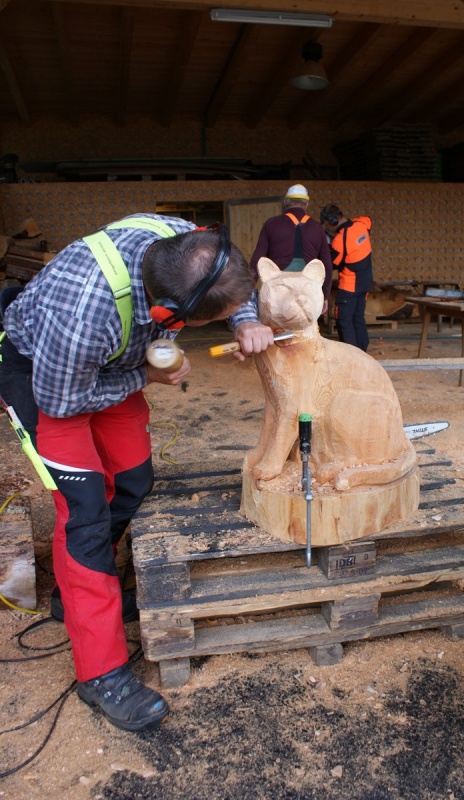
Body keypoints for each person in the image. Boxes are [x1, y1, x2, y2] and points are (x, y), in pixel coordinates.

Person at [0, 212, 273, 732]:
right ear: (166, 314)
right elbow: (63, 402)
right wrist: (145, 375)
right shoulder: (82, 314)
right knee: (84, 516)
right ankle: (99, 673)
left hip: (111, 365)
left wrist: (245, 320)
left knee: (132, 479)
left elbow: (230, 283)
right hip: (46, 378)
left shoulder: (181, 240)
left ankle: (73, 597)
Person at [249, 184, 333, 314]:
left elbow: (257, 260)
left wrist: (247, 290)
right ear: (307, 204)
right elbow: (327, 265)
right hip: (308, 294)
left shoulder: (271, 224)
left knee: (276, 325)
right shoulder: (317, 228)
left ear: (285, 202)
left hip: (278, 292)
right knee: (306, 326)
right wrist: (324, 296)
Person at [320, 203, 374, 352]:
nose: (327, 229)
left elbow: (332, 264)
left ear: (332, 221)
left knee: (344, 321)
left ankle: (351, 355)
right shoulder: (361, 224)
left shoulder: (339, 240)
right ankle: (363, 353)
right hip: (365, 284)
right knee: (358, 319)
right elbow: (368, 220)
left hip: (349, 287)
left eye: (326, 225)